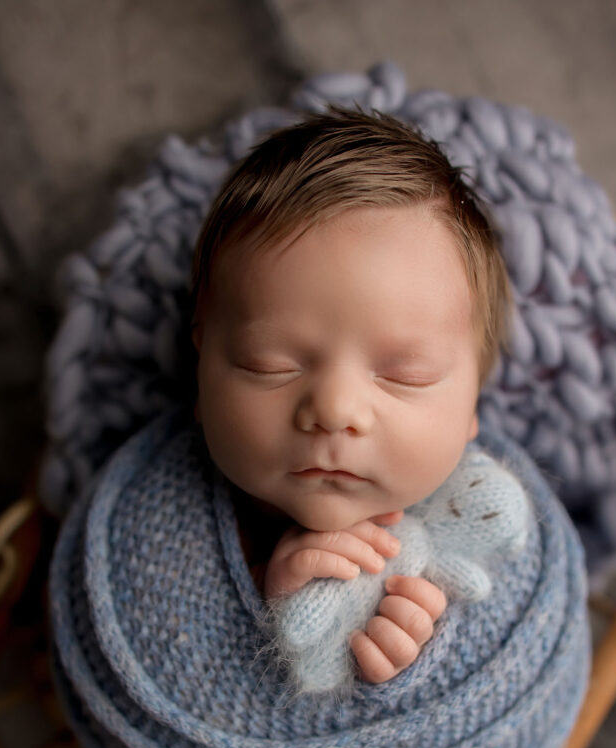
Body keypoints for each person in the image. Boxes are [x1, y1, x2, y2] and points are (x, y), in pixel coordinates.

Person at [190, 108, 510, 685]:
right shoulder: (159, 529)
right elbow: (189, 658)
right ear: (200, 366)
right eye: (270, 364)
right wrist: (278, 606)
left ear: (472, 408)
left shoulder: (488, 510)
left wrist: (406, 655)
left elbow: (506, 665)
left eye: (405, 374)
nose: (335, 410)